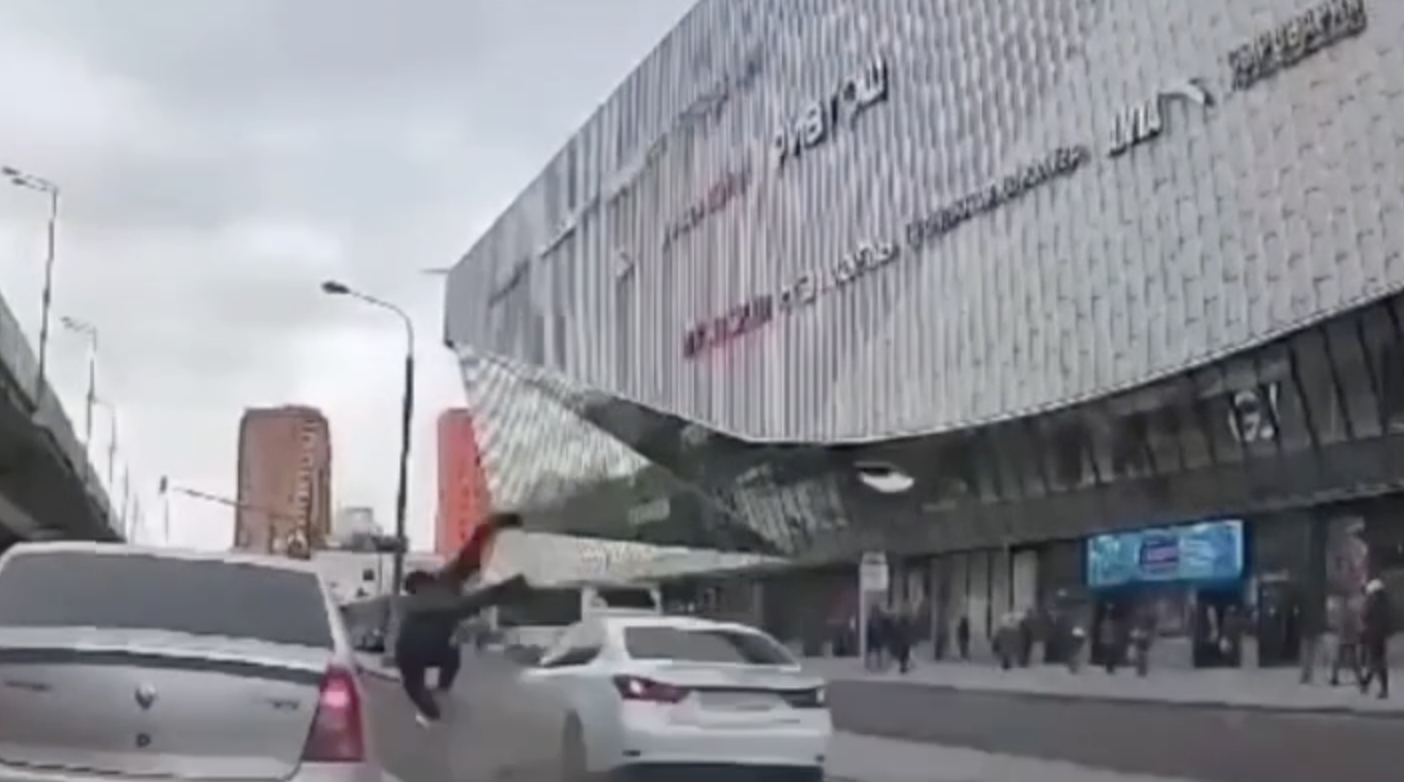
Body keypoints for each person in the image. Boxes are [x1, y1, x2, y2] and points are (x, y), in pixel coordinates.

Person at [395, 512, 532, 726]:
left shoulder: (443, 582)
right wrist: (503, 591)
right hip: (418, 649)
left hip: (423, 650)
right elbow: (460, 604)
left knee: (449, 656)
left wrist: (491, 526)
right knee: (446, 655)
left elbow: (470, 555)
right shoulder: (425, 600)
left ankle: (436, 700)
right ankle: (435, 702)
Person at [1358, 579, 1392, 699]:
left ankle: (1381, 688)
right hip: (1381, 635)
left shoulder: (1372, 602)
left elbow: (1364, 615)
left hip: (1372, 634)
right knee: (1377, 660)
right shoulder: (1385, 603)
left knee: (1376, 662)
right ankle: (1366, 683)